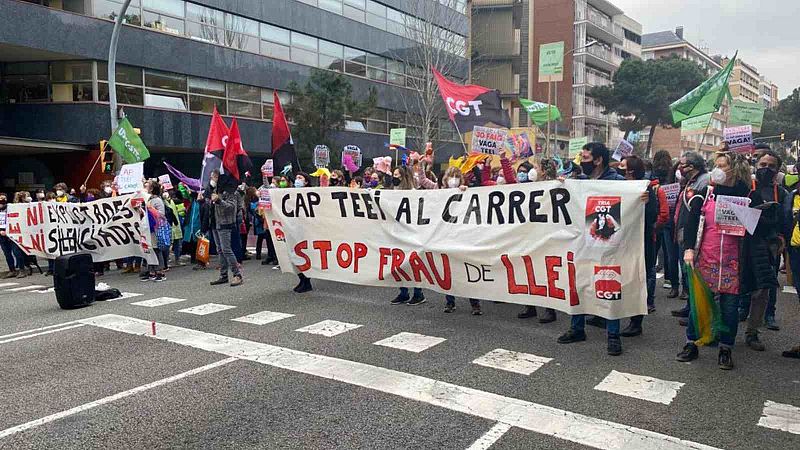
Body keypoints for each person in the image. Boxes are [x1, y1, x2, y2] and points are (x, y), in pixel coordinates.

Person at [677, 150, 751, 370]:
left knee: (729, 309)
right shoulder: (706, 193)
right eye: (716, 165)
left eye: (723, 165)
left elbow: (757, 229)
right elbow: (691, 223)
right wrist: (689, 249)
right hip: (705, 259)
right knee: (698, 305)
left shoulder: (748, 196)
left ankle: (725, 348)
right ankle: (692, 343)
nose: (717, 169)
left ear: (735, 169)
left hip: (733, 262)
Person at [558, 143, 625, 356]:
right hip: (583, 242)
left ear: (598, 160)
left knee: (610, 285)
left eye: (585, 157)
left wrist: (643, 198)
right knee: (578, 284)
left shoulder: (619, 182)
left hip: (608, 244)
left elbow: (637, 207)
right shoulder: (580, 183)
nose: (581, 161)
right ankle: (577, 328)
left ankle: (613, 335)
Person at [737, 149, 788, 351]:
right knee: (734, 286)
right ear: (756, 166)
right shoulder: (744, 186)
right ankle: (725, 327)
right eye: (763, 165)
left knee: (762, 291)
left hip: (766, 247)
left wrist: (779, 241)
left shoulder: (782, 193)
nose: (766, 169)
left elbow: (784, 221)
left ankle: (752, 332)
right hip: (741, 244)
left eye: (771, 166)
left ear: (778, 170)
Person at [620, 155, 667, 337]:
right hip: (623, 242)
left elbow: (653, 215)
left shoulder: (646, 188)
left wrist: (647, 204)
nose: (619, 169)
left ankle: (636, 321)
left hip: (641, 242)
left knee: (638, 281)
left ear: (631, 170)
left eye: (623, 166)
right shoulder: (619, 186)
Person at [516, 158, 558, 324]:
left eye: (535, 167)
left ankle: (550, 309)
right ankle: (530, 305)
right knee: (528, 271)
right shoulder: (527, 187)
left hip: (546, 236)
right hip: (529, 234)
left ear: (544, 170)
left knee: (547, 274)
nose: (532, 171)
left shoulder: (554, 186)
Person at [672, 151, 710, 318]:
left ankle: (696, 312)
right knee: (687, 272)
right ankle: (690, 307)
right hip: (683, 232)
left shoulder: (704, 182)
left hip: (694, 235)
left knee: (694, 273)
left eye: (682, 164)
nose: (679, 167)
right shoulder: (690, 181)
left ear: (692, 166)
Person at [389, 166, 425, 305]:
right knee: (399, 264)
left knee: (414, 264)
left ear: (403, 177)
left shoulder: (413, 193)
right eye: (393, 174)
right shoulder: (392, 192)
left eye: (397, 175)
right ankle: (403, 292)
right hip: (397, 233)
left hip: (411, 233)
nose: (394, 177)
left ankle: (418, 293)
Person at [209, 171, 243, 287]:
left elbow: (232, 207)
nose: (212, 178)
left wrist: (219, 200)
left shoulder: (230, 191)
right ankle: (223, 275)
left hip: (225, 223)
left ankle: (237, 275)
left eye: (215, 176)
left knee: (226, 249)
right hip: (215, 222)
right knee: (220, 250)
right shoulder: (215, 190)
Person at [140, 181, 168, 282]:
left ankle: (160, 271)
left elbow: (161, 215)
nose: (144, 187)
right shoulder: (146, 199)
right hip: (146, 228)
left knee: (156, 249)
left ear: (151, 189)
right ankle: (151, 271)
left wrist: (150, 208)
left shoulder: (157, 200)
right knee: (148, 249)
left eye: (146, 186)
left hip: (155, 228)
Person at [293, 172, 314, 293]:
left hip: (306, 229)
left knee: (306, 255)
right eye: (296, 177)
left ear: (306, 182)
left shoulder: (311, 194)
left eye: (300, 178)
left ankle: (307, 281)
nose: (297, 180)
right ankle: (301, 279)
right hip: (295, 229)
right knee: (295, 255)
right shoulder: (291, 193)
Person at [0, 192, 20, 278]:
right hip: (1, 235)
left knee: (16, 252)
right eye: (0, 198)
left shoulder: (10, 208)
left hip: (11, 233)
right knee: (7, 253)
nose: (2, 200)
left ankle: (22, 269)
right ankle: (12, 270)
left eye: (3, 198)